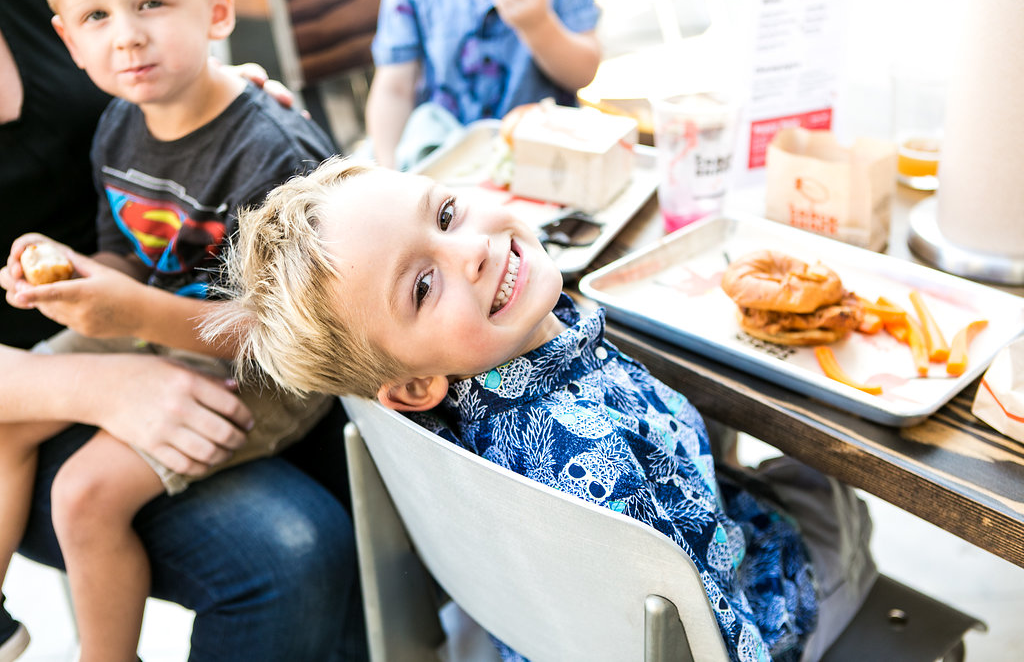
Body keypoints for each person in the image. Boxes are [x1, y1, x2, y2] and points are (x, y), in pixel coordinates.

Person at [205, 157, 879, 662]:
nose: (469, 250)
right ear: (412, 385)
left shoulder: (488, 354)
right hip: (746, 610)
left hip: (553, 623)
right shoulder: (594, 457)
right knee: (836, 490)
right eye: (422, 285)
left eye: (445, 215)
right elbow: (717, 637)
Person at [0, 0, 364, 660]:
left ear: (218, 12)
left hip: (269, 361)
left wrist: (125, 306)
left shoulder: (271, 151)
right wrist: (76, 273)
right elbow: (127, 259)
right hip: (163, 327)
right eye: (98, 17)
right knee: (10, 420)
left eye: (152, 5)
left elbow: (293, 331)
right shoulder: (120, 124)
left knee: (84, 493)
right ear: (70, 40)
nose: (128, 36)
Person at [365, 0, 601, 170]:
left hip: (551, 156)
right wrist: (388, 168)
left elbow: (583, 73)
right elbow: (393, 89)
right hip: (450, 161)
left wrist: (538, 25)